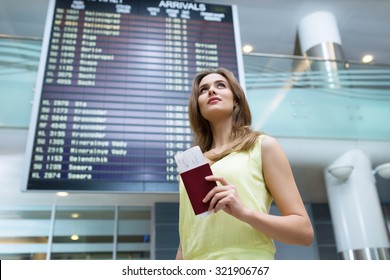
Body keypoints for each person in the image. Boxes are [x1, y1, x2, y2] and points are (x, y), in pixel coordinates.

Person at [175, 68, 314, 260]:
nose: (211, 91)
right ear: (198, 107)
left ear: (236, 100)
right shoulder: (191, 165)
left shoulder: (262, 146)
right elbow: (188, 238)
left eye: (220, 85)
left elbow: (304, 233)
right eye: (203, 90)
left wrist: (245, 213)